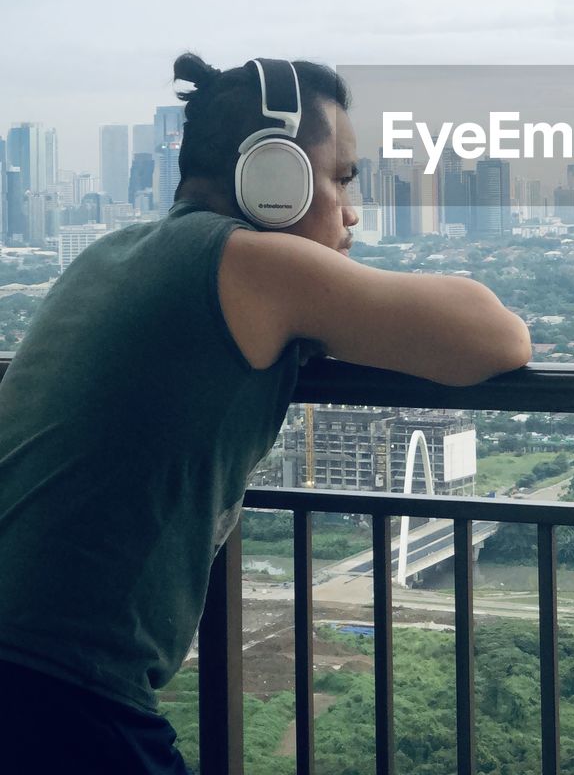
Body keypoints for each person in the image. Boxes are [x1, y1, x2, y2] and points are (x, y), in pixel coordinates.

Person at [0, 53, 531, 773]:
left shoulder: (114, 255)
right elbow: (494, 337)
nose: (352, 209)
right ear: (273, 174)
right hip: (57, 693)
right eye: (340, 177)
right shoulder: (249, 264)